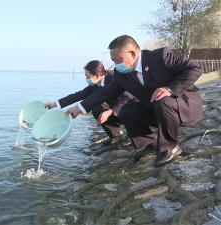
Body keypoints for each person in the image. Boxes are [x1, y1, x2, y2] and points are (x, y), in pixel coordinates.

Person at [67, 35, 203, 167]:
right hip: (157, 110)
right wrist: (80, 108)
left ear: (132, 53)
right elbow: (105, 92)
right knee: (127, 111)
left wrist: (169, 89)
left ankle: (170, 147)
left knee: (163, 99)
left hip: (184, 105)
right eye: (113, 61)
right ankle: (149, 144)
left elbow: (194, 68)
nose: (115, 65)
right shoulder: (121, 74)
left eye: (117, 60)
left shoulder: (161, 56)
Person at [46, 60, 136, 146]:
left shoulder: (114, 80)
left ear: (97, 75)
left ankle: (133, 135)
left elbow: (127, 99)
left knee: (122, 111)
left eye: (88, 76)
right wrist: (55, 104)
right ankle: (116, 136)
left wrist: (110, 112)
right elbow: (79, 95)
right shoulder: (95, 85)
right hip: (118, 113)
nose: (87, 79)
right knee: (97, 109)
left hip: (132, 110)